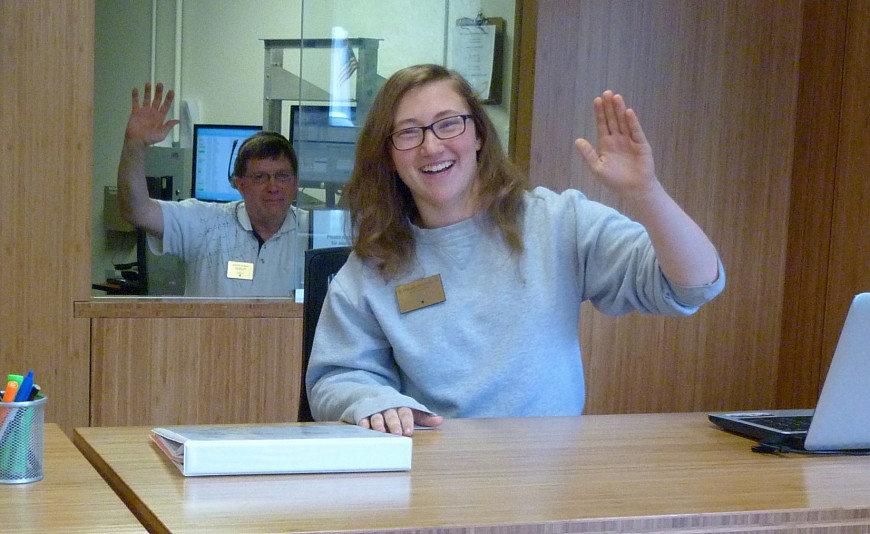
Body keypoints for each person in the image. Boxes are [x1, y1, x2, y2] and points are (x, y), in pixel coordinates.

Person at [306, 64, 725, 436]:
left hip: (547, 475)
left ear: (479, 137)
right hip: (433, 471)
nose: (431, 146)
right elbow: (336, 376)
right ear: (389, 155)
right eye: (408, 132)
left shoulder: (557, 221)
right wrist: (372, 402)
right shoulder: (374, 262)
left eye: (448, 123)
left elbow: (694, 285)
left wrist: (645, 191)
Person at [117, 82, 306, 297]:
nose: (273, 187)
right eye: (260, 177)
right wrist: (134, 145)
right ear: (240, 185)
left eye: (282, 176)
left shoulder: (312, 232)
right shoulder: (206, 223)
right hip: (210, 332)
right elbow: (136, 211)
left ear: (295, 182)